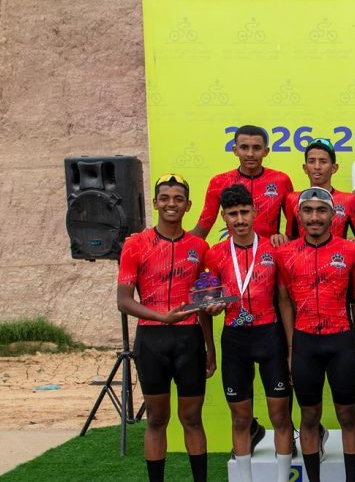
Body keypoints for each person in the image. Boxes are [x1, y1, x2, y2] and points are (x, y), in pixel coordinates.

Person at [116, 173, 214, 482]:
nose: (172, 204)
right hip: (152, 339)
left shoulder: (200, 246)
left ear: (188, 205)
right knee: (157, 419)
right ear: (155, 203)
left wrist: (211, 348)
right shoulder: (135, 244)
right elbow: (124, 301)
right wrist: (162, 317)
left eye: (178, 199)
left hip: (190, 340)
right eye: (165, 198)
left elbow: (203, 304)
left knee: (192, 418)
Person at [275, 188, 355, 482]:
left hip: (340, 341)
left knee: (348, 415)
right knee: (309, 416)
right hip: (304, 343)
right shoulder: (284, 253)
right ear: (299, 215)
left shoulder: (350, 250)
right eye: (308, 211)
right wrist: (292, 345)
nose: (314, 217)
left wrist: (347, 326)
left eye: (321, 210)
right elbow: (285, 300)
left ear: (333, 215)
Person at [204, 185, 296, 482]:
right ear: (224, 216)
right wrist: (212, 307)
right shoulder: (215, 253)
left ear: (255, 212)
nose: (240, 219)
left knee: (280, 416)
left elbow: (284, 300)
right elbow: (209, 300)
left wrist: (291, 348)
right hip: (235, 338)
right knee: (241, 418)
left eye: (245, 212)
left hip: (270, 336)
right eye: (233, 214)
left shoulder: (274, 248)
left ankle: (282, 479)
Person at [193, 125, 293, 246]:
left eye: (256, 148)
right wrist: (174, 241)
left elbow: (295, 230)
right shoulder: (219, 182)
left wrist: (284, 238)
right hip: (234, 254)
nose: (250, 153)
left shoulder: (281, 180)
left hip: (270, 253)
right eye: (244, 147)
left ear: (266, 151)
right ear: (235, 150)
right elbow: (202, 228)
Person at [284, 137, 355, 240]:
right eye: (311, 161)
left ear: (334, 168)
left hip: (337, 251)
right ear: (305, 168)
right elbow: (290, 239)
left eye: (323, 161)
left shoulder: (349, 200)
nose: (317, 167)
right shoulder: (292, 199)